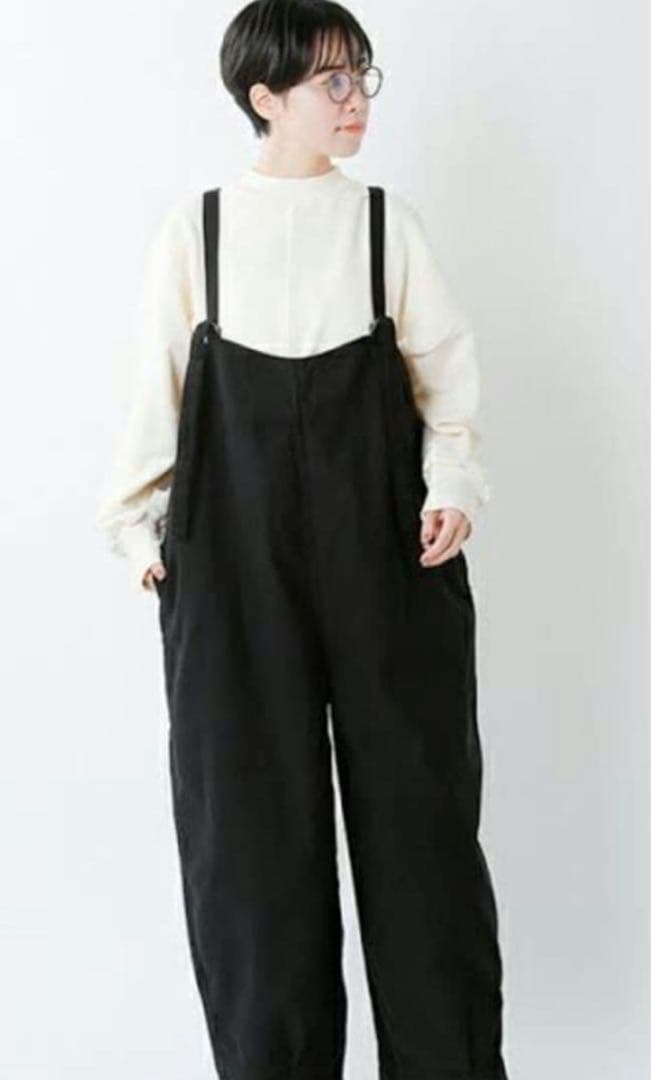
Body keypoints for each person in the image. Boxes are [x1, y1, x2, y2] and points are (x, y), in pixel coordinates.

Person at [95, 2, 510, 1078]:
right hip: (229, 566)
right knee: (249, 849)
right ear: (264, 97)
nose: (355, 99)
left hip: (390, 552)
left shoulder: (383, 226)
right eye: (331, 81)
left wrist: (452, 485)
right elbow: (157, 393)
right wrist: (137, 530)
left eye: (362, 76)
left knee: (420, 835)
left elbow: (447, 381)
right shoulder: (198, 232)